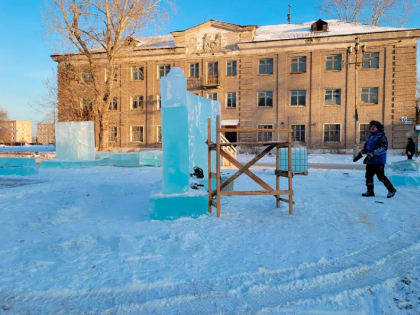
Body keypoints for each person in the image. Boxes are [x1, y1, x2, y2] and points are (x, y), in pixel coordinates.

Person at [356, 120, 396, 198]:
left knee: (381, 177)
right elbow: (367, 148)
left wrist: (374, 153)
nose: (371, 128)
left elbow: (384, 147)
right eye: (371, 127)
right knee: (368, 176)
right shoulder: (370, 137)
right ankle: (370, 191)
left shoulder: (381, 136)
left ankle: (391, 190)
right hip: (370, 160)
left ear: (378, 128)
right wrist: (362, 151)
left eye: (373, 127)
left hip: (378, 160)